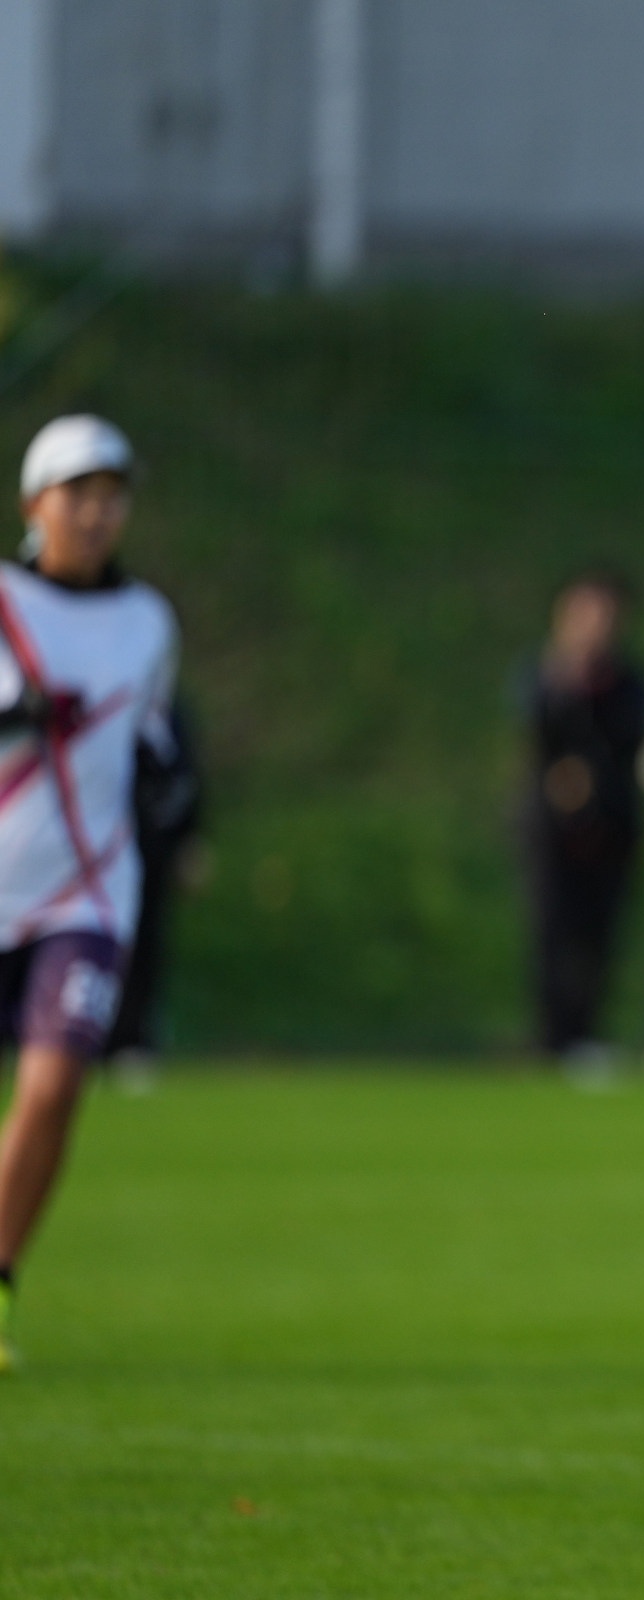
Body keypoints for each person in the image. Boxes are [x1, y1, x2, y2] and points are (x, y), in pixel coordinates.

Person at [0, 416, 178, 1372]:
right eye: (79, 494)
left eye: (112, 496)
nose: (98, 512)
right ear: (35, 503)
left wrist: (170, 782)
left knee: (55, 1083)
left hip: (91, 891)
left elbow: (153, 733)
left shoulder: (149, 621)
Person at [520, 571, 644, 1065]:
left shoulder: (628, 683)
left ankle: (587, 1032)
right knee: (552, 928)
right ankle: (551, 1035)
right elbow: (536, 740)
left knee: (600, 932)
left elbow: (632, 742)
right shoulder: (545, 677)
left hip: (610, 825)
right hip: (551, 828)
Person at [103, 694, 201, 1068]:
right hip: (85, 853)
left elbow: (185, 775)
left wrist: (189, 837)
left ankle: (130, 1038)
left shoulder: (165, 707)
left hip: (147, 846)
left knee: (144, 943)